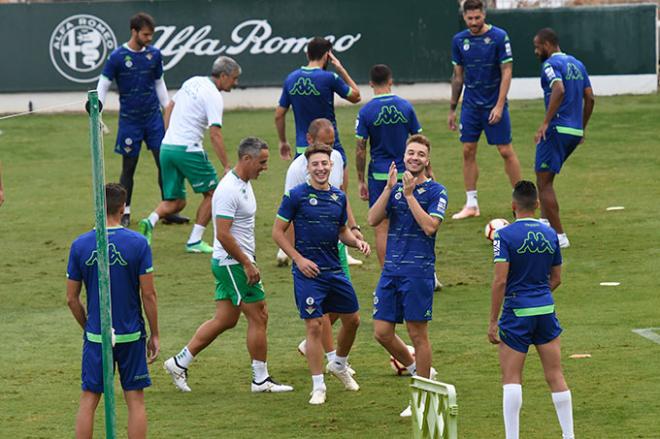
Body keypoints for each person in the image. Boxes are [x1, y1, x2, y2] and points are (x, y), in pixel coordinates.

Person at [163, 138, 293, 394]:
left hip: (233, 261)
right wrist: (247, 263)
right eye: (262, 162)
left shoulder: (243, 184)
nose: (265, 167)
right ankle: (260, 380)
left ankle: (179, 362)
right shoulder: (228, 190)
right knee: (259, 314)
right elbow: (222, 234)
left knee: (225, 319)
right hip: (233, 262)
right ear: (247, 159)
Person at [272, 143, 370, 405]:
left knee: (353, 320)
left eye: (324, 163)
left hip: (334, 269)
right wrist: (298, 259)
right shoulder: (295, 196)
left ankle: (338, 363)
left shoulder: (339, 197)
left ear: (331, 166)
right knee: (314, 325)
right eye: (315, 164)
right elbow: (277, 233)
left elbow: (342, 232)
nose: (320, 168)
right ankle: (318, 386)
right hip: (307, 272)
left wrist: (356, 242)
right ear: (308, 167)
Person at [66, 183, 159, 439]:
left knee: (89, 399)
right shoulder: (139, 244)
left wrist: (88, 326)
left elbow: (71, 299)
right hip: (130, 334)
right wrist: (155, 333)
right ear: (122, 208)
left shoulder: (80, 245)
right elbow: (148, 294)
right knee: (135, 400)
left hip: (96, 336)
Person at [367, 134, 447, 416]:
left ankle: (423, 399)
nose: (414, 158)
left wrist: (411, 196)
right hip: (391, 270)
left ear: (427, 160)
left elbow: (430, 227)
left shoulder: (437, 191)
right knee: (381, 331)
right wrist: (389, 190)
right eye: (411, 153)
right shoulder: (395, 188)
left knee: (417, 334)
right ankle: (418, 371)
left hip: (418, 272)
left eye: (420, 154)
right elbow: (373, 220)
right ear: (404, 156)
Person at [488, 180, 573, 439]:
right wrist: (540, 294)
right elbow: (556, 277)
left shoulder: (504, 235)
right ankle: (569, 435)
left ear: (513, 206)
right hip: (546, 309)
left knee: (512, 377)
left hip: (517, 313)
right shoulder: (550, 234)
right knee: (555, 375)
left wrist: (493, 321)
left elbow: (500, 280)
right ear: (537, 204)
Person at [138, 56, 241, 253]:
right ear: (223, 76)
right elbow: (215, 133)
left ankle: (149, 221)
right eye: (234, 79)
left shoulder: (192, 81)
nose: (235, 83)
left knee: (177, 202)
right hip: (188, 149)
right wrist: (227, 165)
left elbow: (169, 106)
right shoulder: (213, 96)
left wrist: (169, 135)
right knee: (214, 194)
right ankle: (194, 241)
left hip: (167, 147)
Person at [96, 12, 188, 227]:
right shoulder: (117, 57)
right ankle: (124, 212)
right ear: (134, 32)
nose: (149, 39)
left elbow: (159, 83)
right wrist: (97, 108)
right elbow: (104, 83)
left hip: (153, 119)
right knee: (129, 167)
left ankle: (168, 208)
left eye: (151, 36)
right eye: (145, 35)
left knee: (163, 163)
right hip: (130, 121)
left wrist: (167, 108)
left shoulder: (154, 55)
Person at [448, 0, 521, 220]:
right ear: (464, 17)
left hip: (493, 103)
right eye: (469, 19)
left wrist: (499, 105)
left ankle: (522, 201)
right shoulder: (459, 40)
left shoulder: (499, 37)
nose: (473, 22)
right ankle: (471, 204)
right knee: (467, 150)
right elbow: (458, 76)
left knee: (505, 151)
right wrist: (452, 108)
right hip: (470, 106)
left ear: (484, 15)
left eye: (477, 18)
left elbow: (507, 72)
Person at [355, 64, 423, 267]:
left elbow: (360, 149)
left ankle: (388, 276)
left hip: (380, 176)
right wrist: (427, 171)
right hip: (408, 174)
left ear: (370, 84)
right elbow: (419, 141)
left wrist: (360, 180)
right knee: (413, 222)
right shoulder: (406, 106)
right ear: (391, 81)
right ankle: (423, 268)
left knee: (382, 227)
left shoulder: (366, 111)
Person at [533, 28, 595, 248]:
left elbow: (558, 89)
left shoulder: (550, 65)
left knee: (543, 181)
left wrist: (546, 122)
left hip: (557, 129)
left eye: (537, 47)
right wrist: (581, 128)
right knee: (547, 179)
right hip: (574, 131)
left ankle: (559, 236)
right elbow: (590, 98)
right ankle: (543, 223)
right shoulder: (578, 64)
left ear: (548, 45)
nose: (535, 51)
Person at [278, 118, 364, 269]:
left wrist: (354, 228)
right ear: (309, 139)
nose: (329, 149)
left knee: (344, 291)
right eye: (324, 143)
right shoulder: (296, 170)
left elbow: (341, 196)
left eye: (331, 143)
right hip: (310, 252)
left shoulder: (336, 158)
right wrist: (296, 256)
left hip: (337, 247)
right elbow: (289, 216)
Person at [274, 36, 361, 164]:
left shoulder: (291, 78)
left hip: (303, 148)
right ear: (327, 56)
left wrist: (283, 141)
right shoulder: (329, 78)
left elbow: (279, 115)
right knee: (337, 184)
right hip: (330, 148)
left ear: (307, 54)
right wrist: (341, 69)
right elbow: (356, 97)